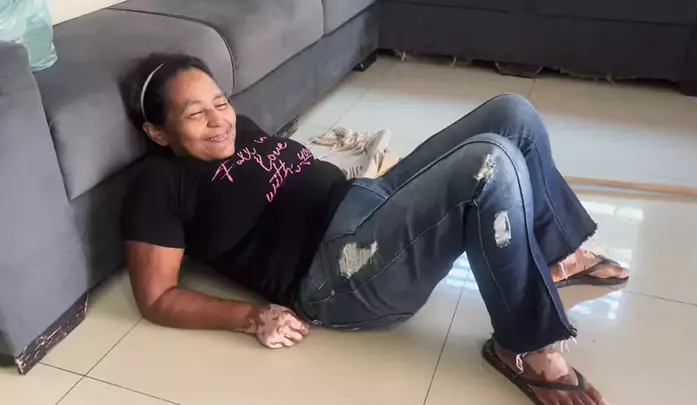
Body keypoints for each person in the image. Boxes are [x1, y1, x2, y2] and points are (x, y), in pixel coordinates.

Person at [120, 53, 628, 405]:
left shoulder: (239, 129)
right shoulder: (159, 184)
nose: (219, 120)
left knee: (511, 113)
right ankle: (523, 344)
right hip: (336, 273)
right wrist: (251, 317)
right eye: (195, 113)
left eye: (219, 102)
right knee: (488, 162)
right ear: (157, 132)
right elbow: (157, 297)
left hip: (364, 200)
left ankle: (553, 256)